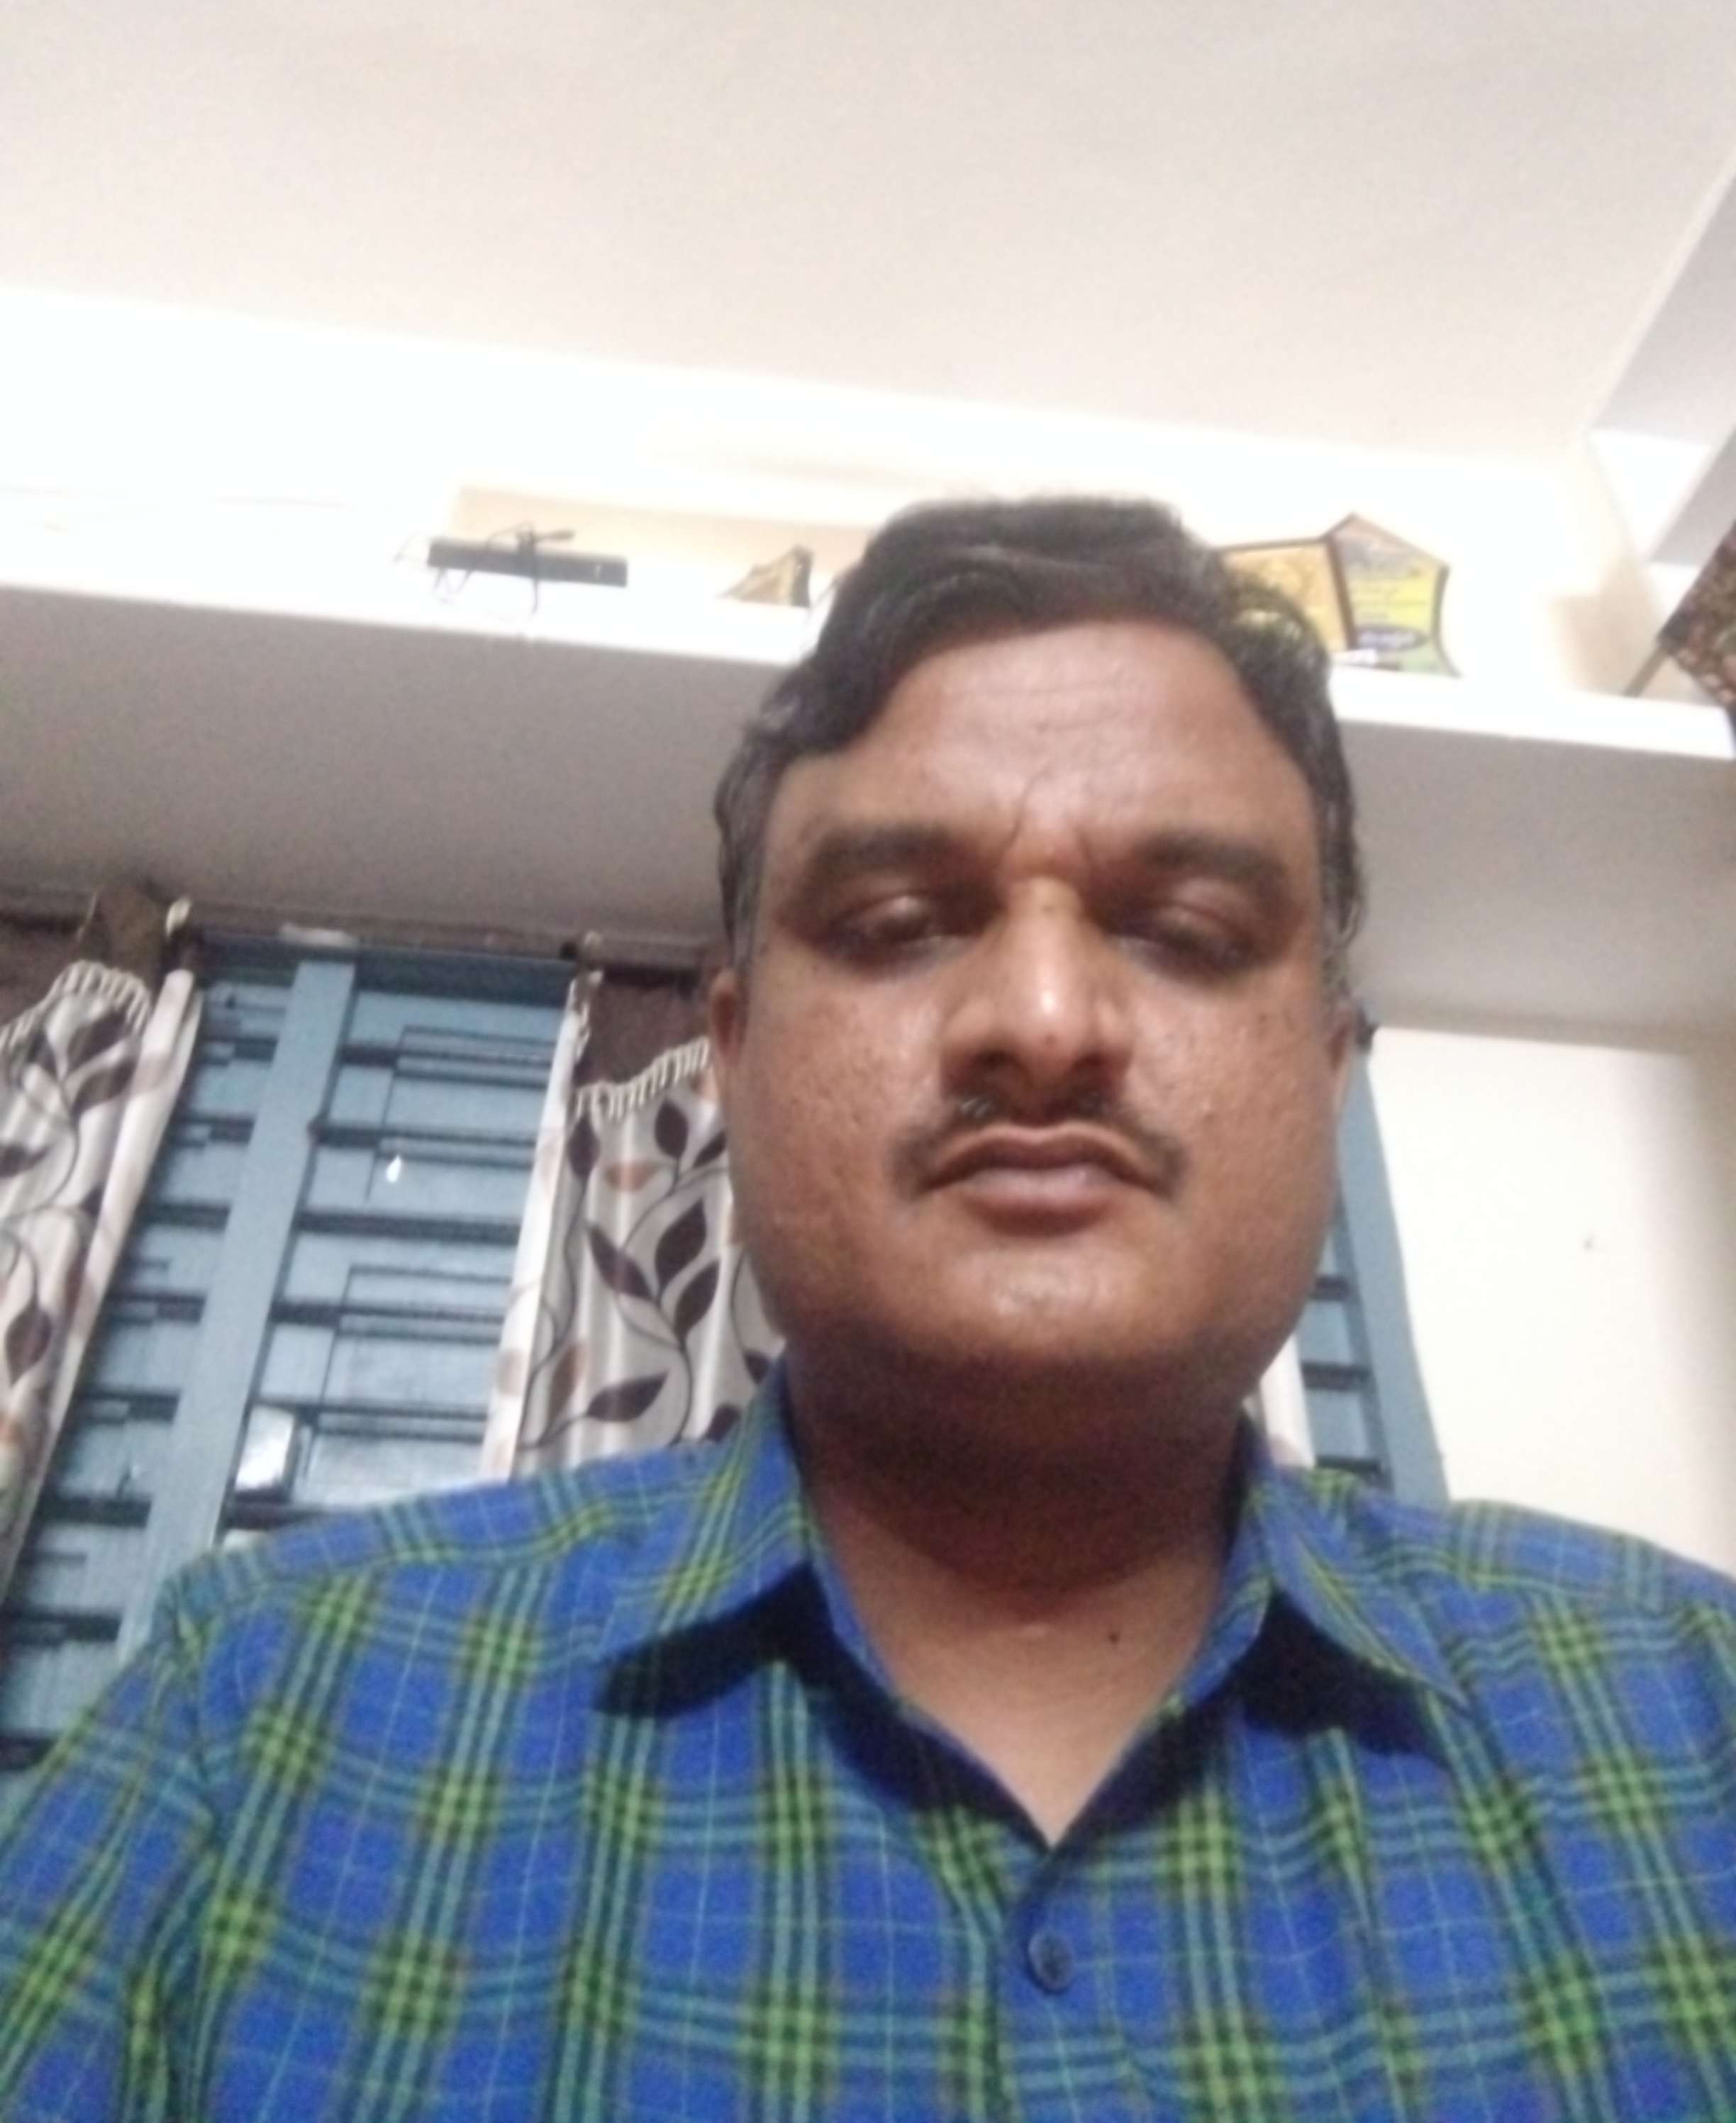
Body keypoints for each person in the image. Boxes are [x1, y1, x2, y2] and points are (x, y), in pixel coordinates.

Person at [3, 497, 1734, 2120]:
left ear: (1329, 1078)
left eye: (1189, 931)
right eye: (901, 923)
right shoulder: (262, 1712)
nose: (1042, 1021)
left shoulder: (1694, 1716)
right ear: (731, 1061)